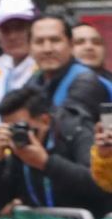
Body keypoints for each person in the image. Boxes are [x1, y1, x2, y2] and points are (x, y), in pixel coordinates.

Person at [0, 85, 111, 218]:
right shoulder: (17, 151)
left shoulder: (75, 132)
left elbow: (100, 186)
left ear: (45, 121)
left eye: (22, 128)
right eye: (11, 130)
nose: (19, 135)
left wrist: (46, 163)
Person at [28, 11, 112, 145]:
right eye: (39, 42)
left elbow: (65, 135)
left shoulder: (86, 82)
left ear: (71, 45)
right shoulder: (34, 80)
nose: (47, 49)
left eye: (55, 40)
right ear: (30, 48)